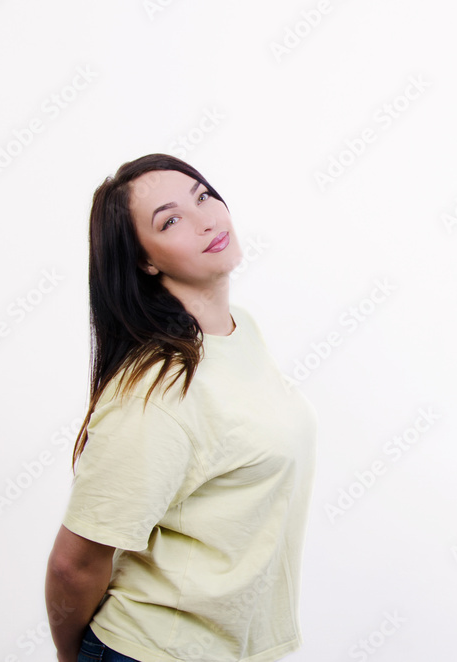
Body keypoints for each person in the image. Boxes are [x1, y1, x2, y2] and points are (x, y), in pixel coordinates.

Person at [44, 154, 318, 662]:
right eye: (170, 221)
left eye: (203, 196)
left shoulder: (239, 330)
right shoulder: (157, 390)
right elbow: (73, 566)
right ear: (146, 261)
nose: (206, 220)